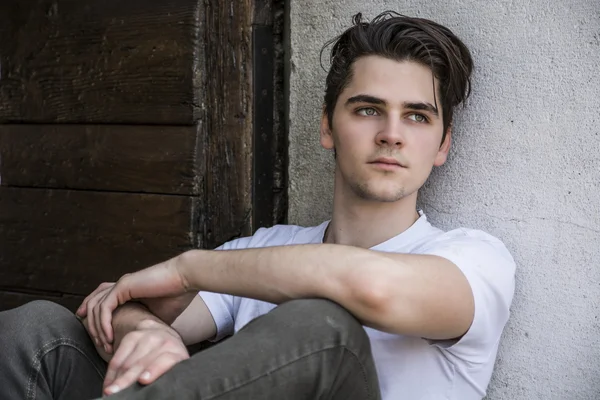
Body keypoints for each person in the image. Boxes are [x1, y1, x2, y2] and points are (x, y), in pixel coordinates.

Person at [0, 11, 516, 400]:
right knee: (38, 330)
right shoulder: (269, 248)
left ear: (443, 145)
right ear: (326, 127)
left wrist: (188, 268)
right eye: (367, 109)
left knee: (321, 327)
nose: (390, 135)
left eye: (418, 118)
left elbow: (369, 287)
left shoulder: (473, 260)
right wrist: (149, 331)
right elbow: (124, 303)